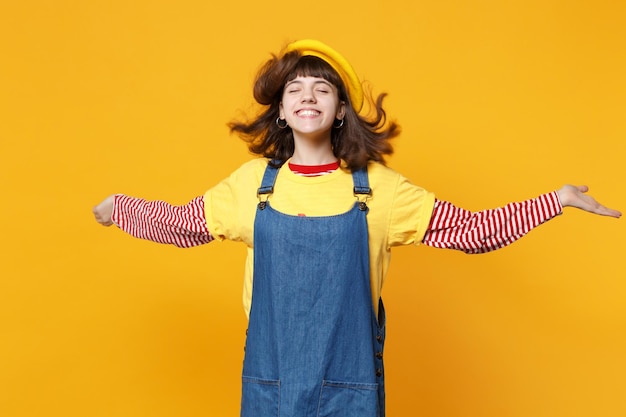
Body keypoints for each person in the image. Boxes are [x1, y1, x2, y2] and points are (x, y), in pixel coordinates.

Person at [92, 39, 621, 417]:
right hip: (270, 388)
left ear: (341, 109)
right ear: (280, 110)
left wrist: (559, 199)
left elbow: (473, 231)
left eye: (322, 88)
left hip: (351, 392)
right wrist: (122, 208)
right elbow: (182, 225)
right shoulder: (254, 185)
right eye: (295, 88)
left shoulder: (381, 192)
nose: (307, 96)